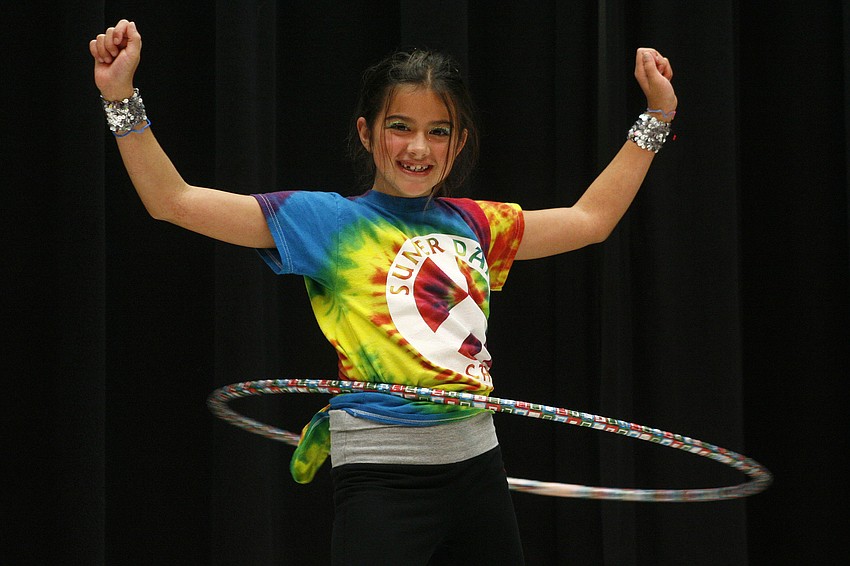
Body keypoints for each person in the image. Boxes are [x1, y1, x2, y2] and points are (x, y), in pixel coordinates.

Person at [90, 19, 676, 565]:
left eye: (438, 132)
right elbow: (173, 201)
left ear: (458, 143)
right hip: (381, 477)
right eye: (401, 127)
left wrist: (657, 116)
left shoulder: (477, 224)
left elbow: (591, 220)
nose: (419, 148)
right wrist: (120, 97)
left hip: (478, 464)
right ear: (367, 133)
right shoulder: (328, 223)